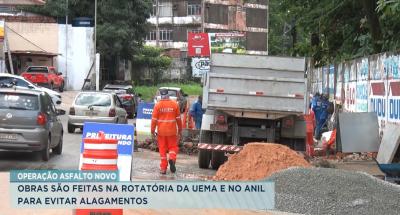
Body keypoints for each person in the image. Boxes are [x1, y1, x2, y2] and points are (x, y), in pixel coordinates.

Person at [151, 89, 182, 174]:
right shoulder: (174, 104)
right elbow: (179, 119)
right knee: (173, 147)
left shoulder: (157, 105)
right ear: (168, 95)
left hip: (161, 132)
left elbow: (154, 120)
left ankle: (163, 168)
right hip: (172, 131)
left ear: (161, 95)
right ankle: (171, 158)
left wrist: (152, 131)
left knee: (162, 149)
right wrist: (180, 130)